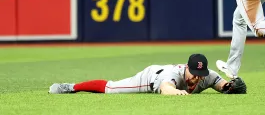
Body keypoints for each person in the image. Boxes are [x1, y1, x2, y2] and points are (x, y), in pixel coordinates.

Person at [48, 53, 246, 95]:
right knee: (111, 88)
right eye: (193, 72)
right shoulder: (174, 75)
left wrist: (232, 86)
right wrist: (177, 92)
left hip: (162, 78)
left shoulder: (206, 75)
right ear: (187, 67)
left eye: (199, 74)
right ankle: (71, 87)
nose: (196, 77)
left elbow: (223, 86)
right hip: (151, 77)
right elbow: (165, 88)